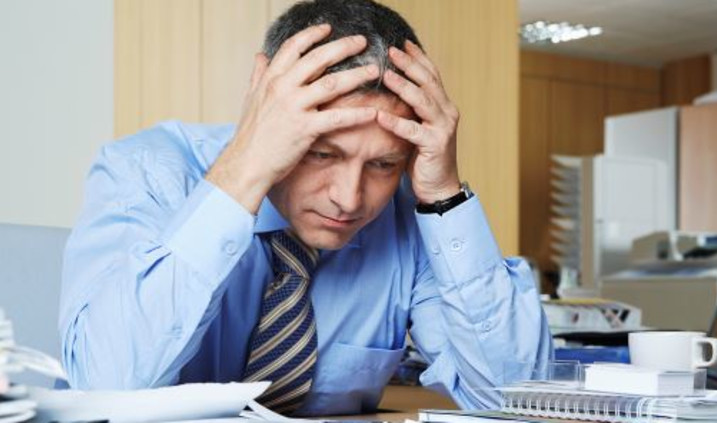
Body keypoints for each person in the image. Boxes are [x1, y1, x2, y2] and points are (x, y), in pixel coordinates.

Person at [59, 0, 552, 416]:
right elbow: (105, 390)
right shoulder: (145, 172)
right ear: (264, 104)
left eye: (383, 164)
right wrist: (244, 170)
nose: (349, 198)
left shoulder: (408, 216)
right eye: (321, 153)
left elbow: (516, 402)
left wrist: (444, 195)